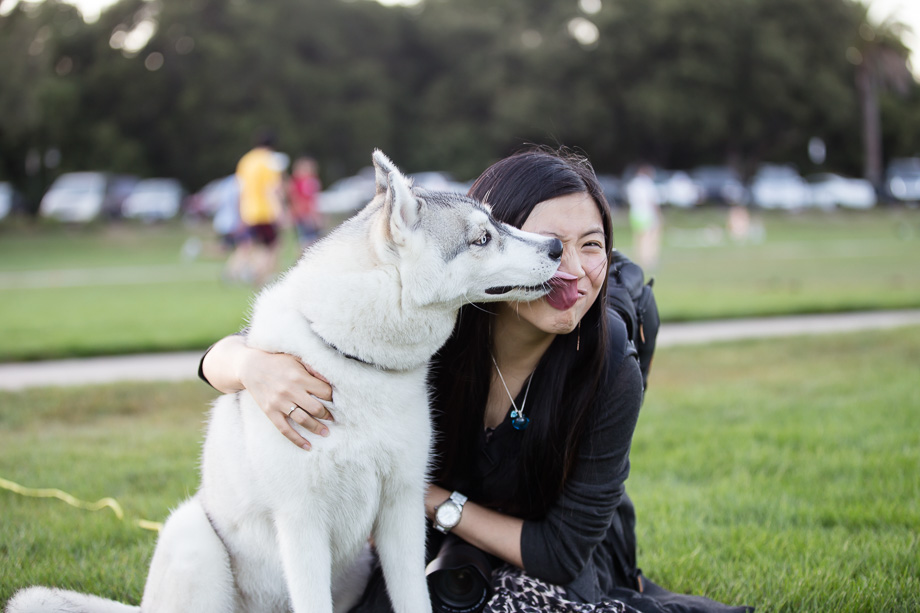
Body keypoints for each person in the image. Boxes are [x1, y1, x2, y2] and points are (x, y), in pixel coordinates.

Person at [199, 148, 751, 613]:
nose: (570, 268)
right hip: (439, 542)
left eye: (591, 244)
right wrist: (250, 365)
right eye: (548, 242)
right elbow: (233, 352)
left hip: (554, 551)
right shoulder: (434, 327)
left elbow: (559, 551)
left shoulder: (606, 362)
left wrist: (427, 498)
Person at [226, 130, 285, 286]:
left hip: (248, 211)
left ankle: (233, 272)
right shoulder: (270, 161)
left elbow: (239, 189)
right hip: (265, 212)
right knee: (272, 246)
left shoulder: (245, 161)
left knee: (249, 246)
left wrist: (239, 212)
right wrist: (280, 212)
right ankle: (259, 275)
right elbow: (272, 189)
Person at [626, 165, 662, 272]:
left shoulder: (632, 184)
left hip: (635, 213)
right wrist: (658, 214)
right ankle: (648, 260)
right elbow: (652, 200)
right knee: (649, 237)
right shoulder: (647, 184)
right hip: (646, 214)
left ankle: (639, 259)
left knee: (638, 237)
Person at [286, 156, 324, 250]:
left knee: (309, 241)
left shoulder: (306, 180)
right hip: (304, 215)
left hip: (305, 215)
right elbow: (299, 200)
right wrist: (310, 216)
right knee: (307, 242)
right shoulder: (302, 182)